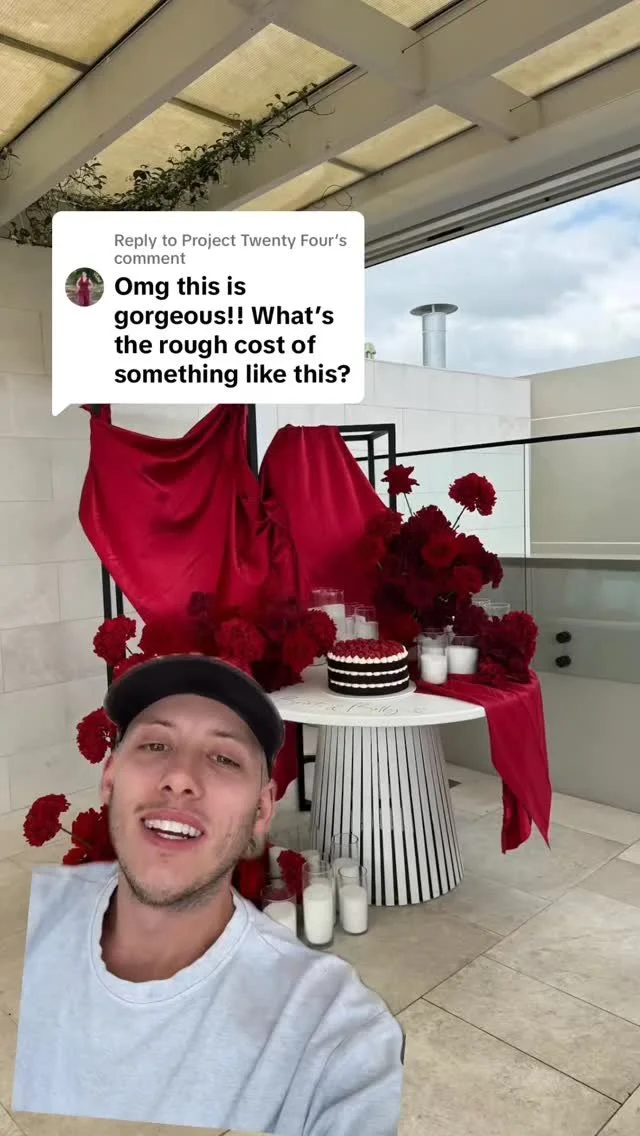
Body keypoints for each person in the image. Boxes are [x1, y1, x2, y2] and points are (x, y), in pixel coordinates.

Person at [13, 654, 404, 1134]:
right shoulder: (41, 926)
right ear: (110, 779)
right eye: (155, 744)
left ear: (262, 812)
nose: (180, 777)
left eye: (224, 758)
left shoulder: (328, 1025)